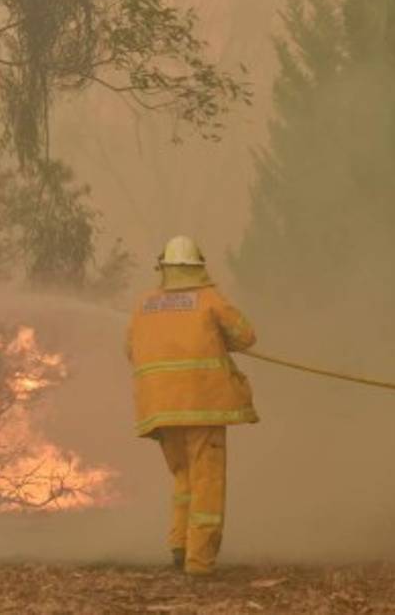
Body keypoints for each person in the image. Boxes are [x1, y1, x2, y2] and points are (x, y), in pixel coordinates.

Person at [125, 235, 258, 576]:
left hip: (161, 409)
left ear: (165, 269)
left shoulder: (143, 305)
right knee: (207, 482)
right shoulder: (209, 300)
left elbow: (131, 351)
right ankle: (199, 564)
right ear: (198, 268)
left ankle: (179, 548)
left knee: (183, 478)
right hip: (204, 405)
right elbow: (246, 336)